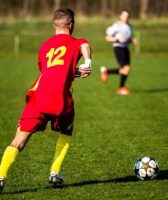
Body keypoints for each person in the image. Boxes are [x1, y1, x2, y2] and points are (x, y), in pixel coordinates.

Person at [0, 8, 92, 193]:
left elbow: (49, 72)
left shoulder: (44, 46)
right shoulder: (76, 43)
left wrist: (73, 71)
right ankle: (54, 172)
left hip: (39, 99)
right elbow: (85, 45)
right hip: (61, 101)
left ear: (53, 25)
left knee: (18, 141)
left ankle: (1, 176)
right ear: (72, 25)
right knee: (67, 128)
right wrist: (87, 62)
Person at [100, 9, 137, 95]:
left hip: (126, 48)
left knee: (126, 70)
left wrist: (132, 40)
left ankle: (106, 72)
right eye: (124, 15)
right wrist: (117, 39)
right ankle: (121, 88)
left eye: (127, 16)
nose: (125, 17)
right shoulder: (117, 26)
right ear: (120, 16)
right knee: (125, 68)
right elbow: (107, 37)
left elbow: (128, 37)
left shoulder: (130, 26)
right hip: (118, 48)